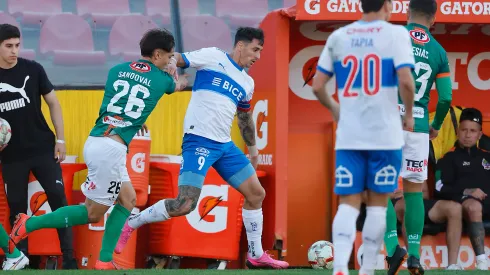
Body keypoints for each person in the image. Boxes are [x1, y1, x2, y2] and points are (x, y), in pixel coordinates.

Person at [8, 28, 188, 270]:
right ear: (157, 55)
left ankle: (105, 261)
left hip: (98, 140)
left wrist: (133, 118)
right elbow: (176, 85)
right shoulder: (162, 79)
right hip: (110, 150)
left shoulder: (116, 70)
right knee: (92, 213)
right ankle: (28, 225)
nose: (169, 60)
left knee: (128, 199)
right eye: (168, 56)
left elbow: (120, 102)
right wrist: (178, 75)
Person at [114, 27, 289, 269]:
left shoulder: (247, 82)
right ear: (240, 46)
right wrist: (173, 64)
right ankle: (133, 221)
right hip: (198, 141)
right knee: (184, 205)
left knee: (256, 194)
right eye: (255, 49)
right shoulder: (214, 56)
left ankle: (255, 255)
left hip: (225, 146)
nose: (258, 56)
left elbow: (244, 117)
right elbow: (177, 57)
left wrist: (253, 149)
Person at [311, 0, 416, 274]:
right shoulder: (396, 34)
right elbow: (406, 80)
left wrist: (335, 108)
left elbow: (318, 85)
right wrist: (408, 116)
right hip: (385, 136)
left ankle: (340, 269)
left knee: (348, 203)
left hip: (350, 136)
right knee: (378, 206)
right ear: (388, 5)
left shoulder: (339, 36)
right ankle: (367, 269)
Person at [383, 0, 453, 273]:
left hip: (389, 122)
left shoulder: (392, 38)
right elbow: (446, 97)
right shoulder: (438, 50)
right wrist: (435, 124)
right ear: (433, 20)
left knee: (379, 190)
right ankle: (414, 253)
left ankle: (392, 249)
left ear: (407, 13)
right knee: (413, 193)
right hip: (419, 127)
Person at [0, 23, 76, 270]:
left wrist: (60, 139)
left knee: (58, 199)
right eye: (8, 46)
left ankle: (70, 258)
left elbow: (53, 103)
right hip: (11, 157)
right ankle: (21, 258)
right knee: (17, 207)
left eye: (17, 45)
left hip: (43, 149)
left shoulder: (33, 69)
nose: (14, 51)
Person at [435, 107, 489, 270]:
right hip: (464, 203)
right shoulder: (448, 157)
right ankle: (482, 263)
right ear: (458, 132)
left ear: (479, 134)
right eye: (464, 130)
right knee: (474, 206)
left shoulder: (487, 155)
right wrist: (467, 191)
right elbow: (439, 187)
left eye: (472, 131)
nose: (468, 134)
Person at [388, 180, 463, 270]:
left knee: (454, 208)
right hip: (393, 202)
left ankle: (452, 265)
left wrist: (408, 194)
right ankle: (414, 261)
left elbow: (425, 193)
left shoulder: (415, 167)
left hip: (416, 199)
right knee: (411, 206)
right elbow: (372, 194)